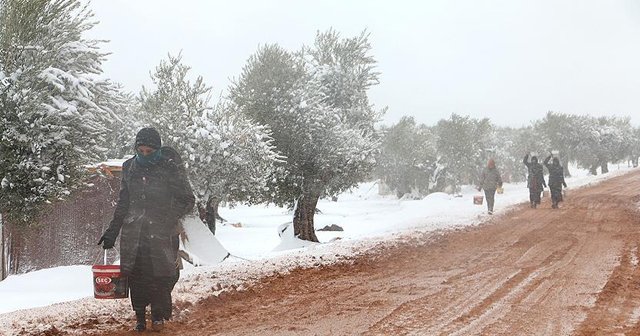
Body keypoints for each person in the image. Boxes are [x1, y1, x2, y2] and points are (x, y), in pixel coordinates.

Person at [98, 127, 195, 332]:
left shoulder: (169, 167)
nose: (144, 155)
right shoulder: (129, 168)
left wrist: (167, 220)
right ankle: (140, 317)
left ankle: (158, 315)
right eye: (140, 151)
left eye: (149, 152)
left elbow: (187, 199)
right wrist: (112, 231)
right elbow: (123, 203)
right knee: (137, 275)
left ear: (157, 150)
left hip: (163, 233)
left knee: (163, 275)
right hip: (135, 233)